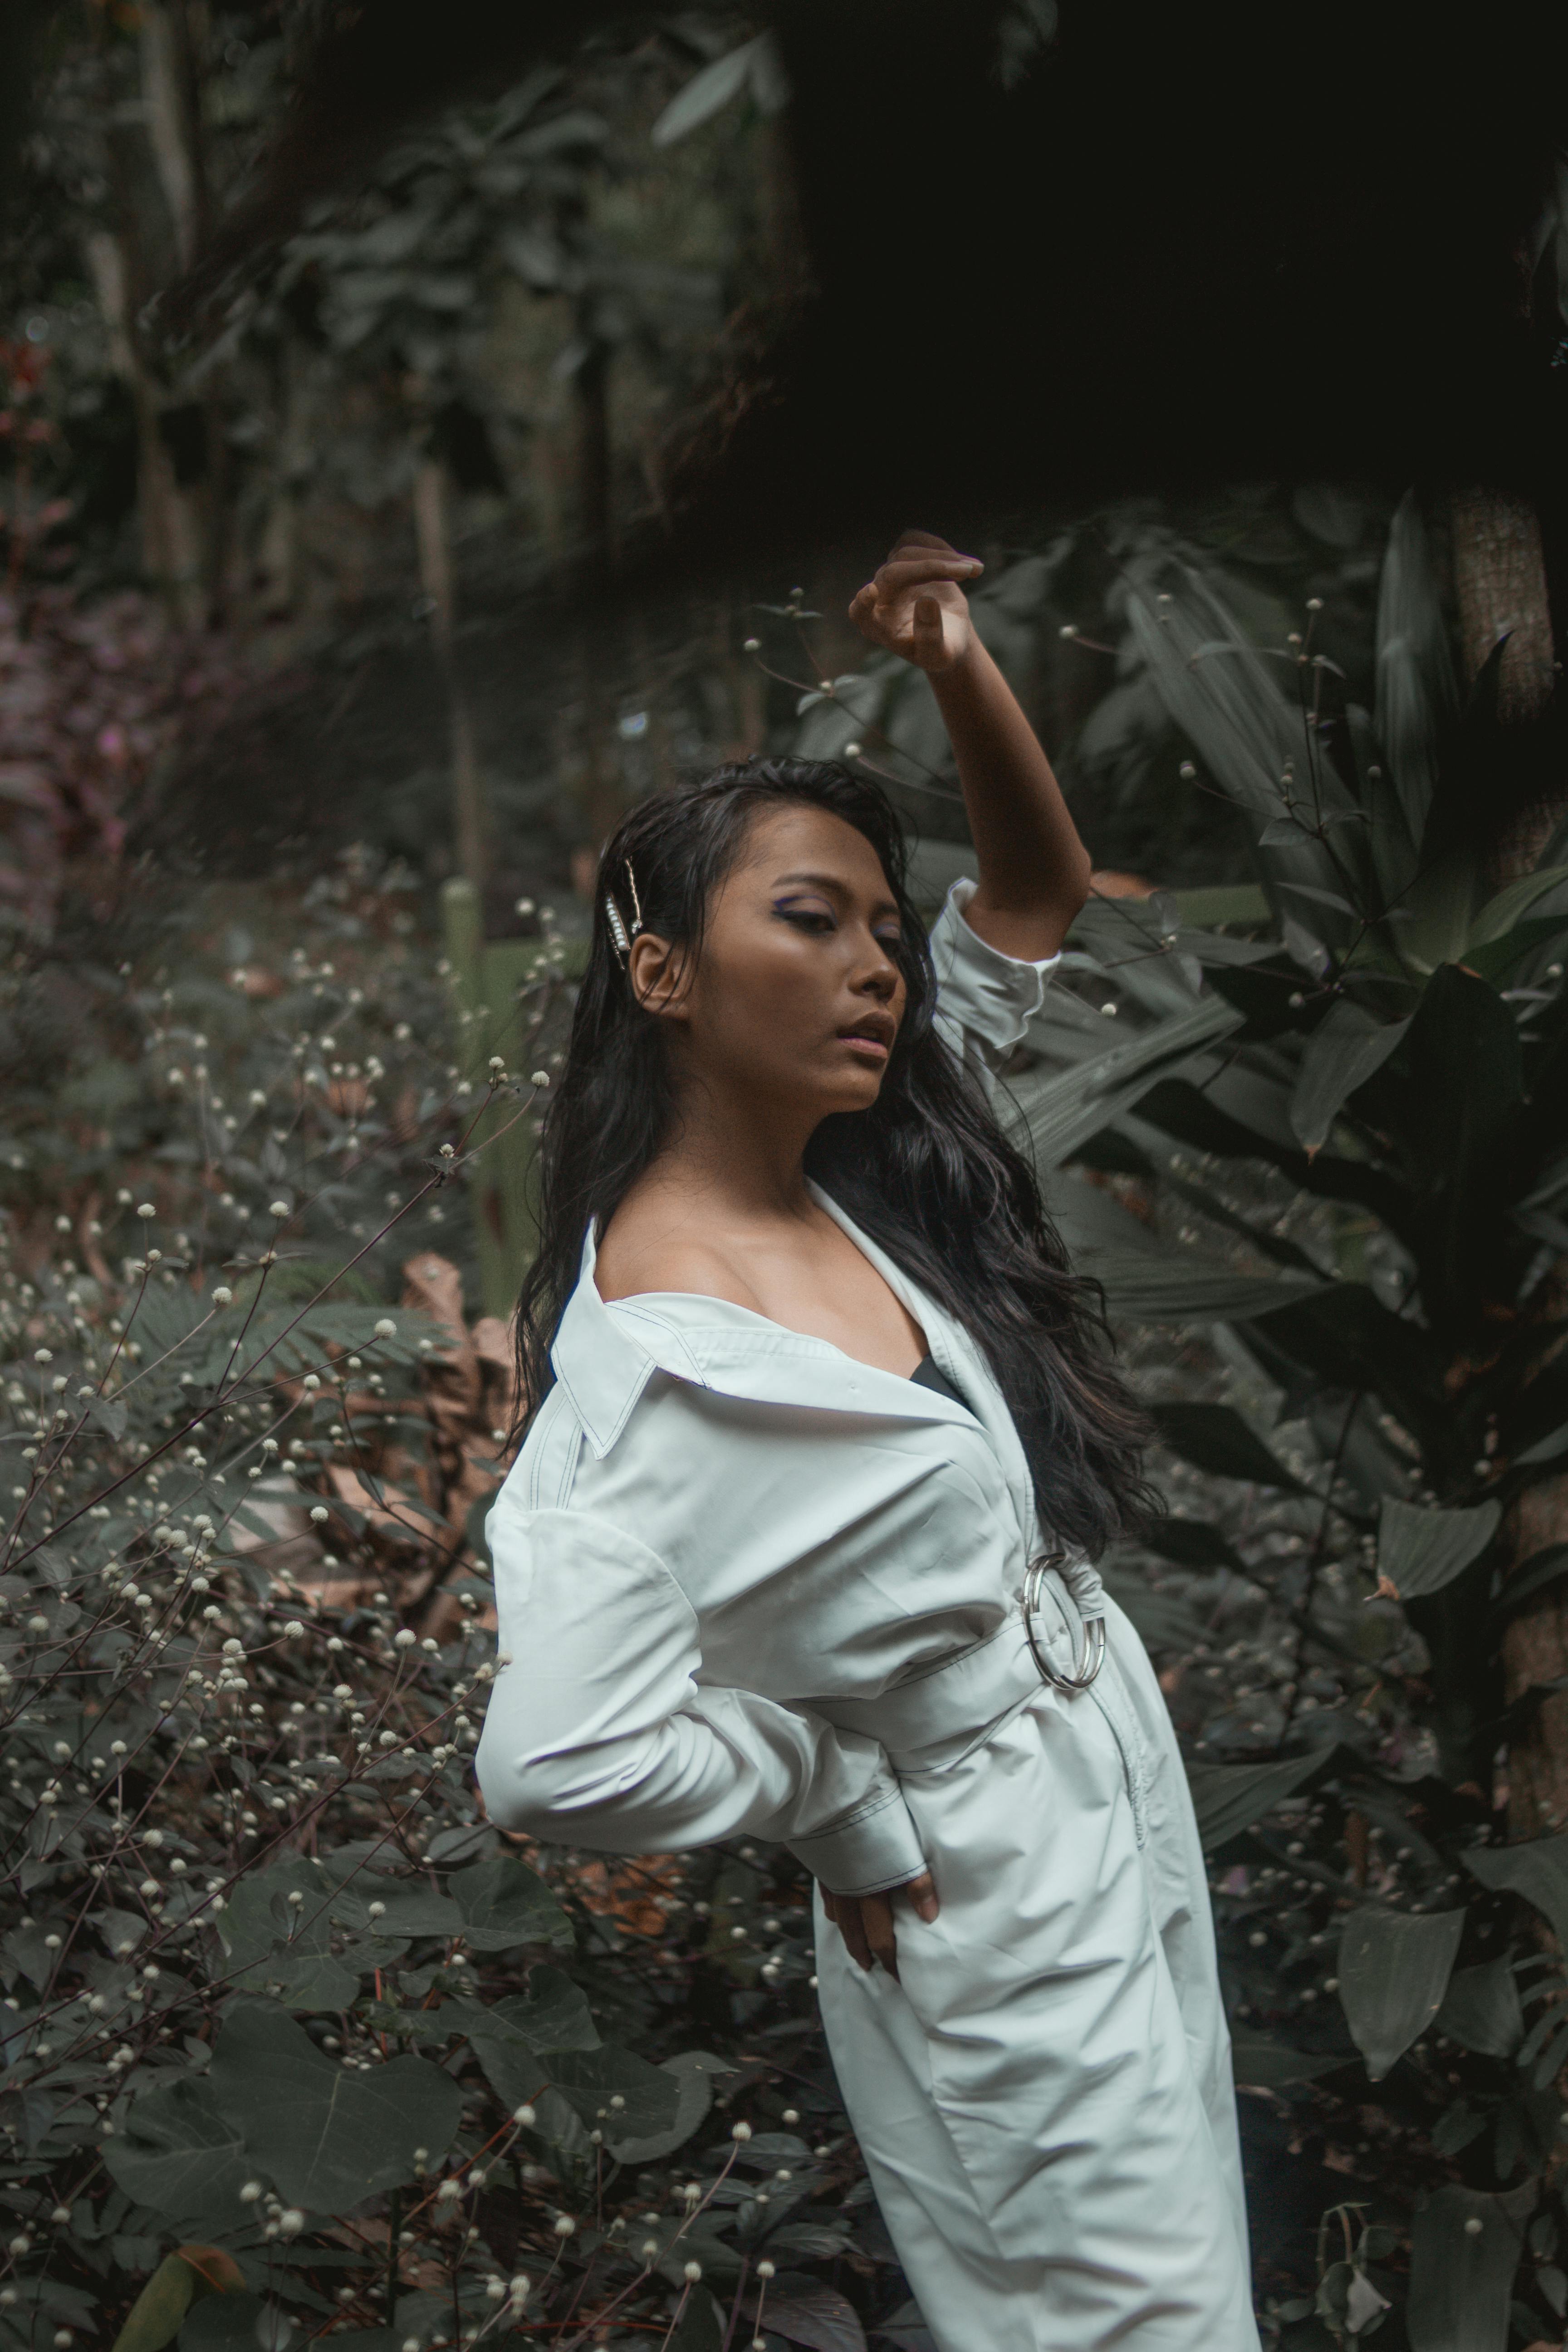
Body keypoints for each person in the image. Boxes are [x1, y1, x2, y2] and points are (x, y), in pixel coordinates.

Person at [475, 531, 1260, 2352]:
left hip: (1104, 1795)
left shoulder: (862, 1179)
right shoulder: (654, 1378)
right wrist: (821, 1795)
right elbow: (554, 1763)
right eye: (808, 921)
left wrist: (955, 667)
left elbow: (1037, 898)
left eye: (883, 931)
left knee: (1191, 2295)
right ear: (664, 977)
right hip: (976, 1885)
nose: (879, 968)